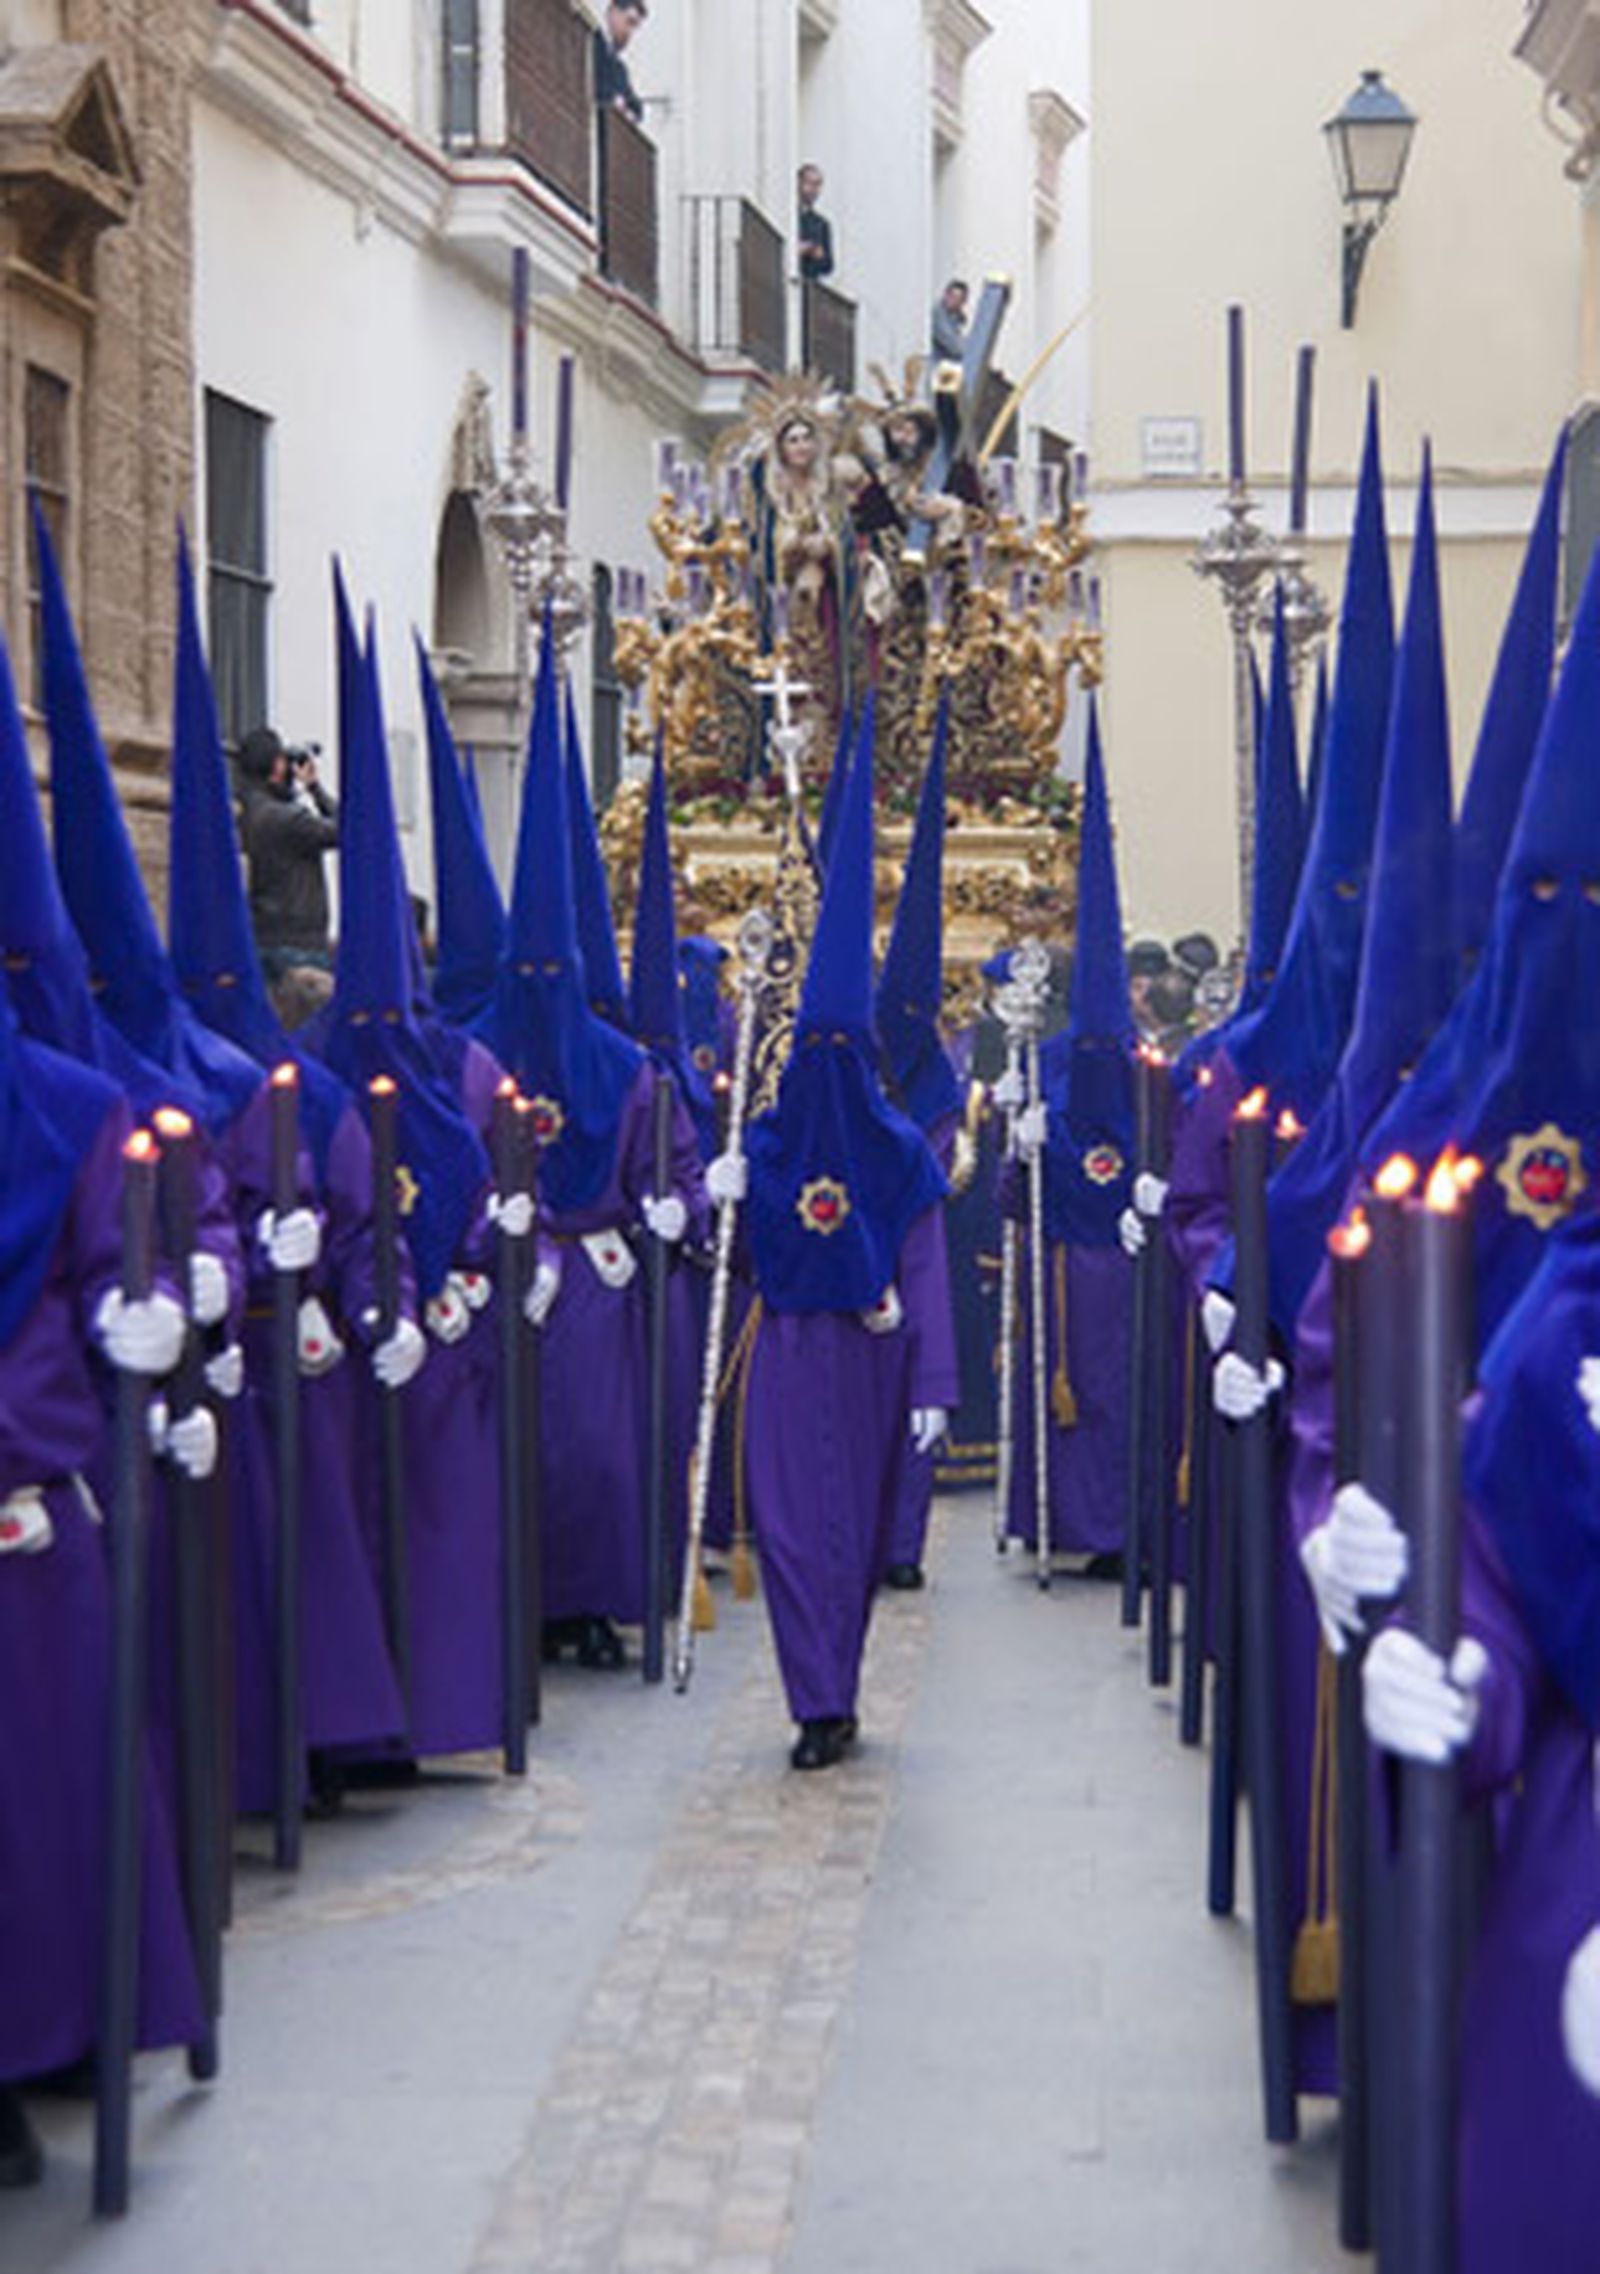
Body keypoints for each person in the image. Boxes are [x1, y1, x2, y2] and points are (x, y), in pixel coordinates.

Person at [720, 698, 957, 1770]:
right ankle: (808, 1697)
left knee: (848, 1534)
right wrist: (716, 1196)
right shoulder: (764, 1144)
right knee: (789, 1529)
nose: (822, 1067)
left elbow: (923, 1262)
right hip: (786, 1348)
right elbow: (729, 1266)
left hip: (868, 1353)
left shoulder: (900, 1145)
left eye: (837, 1047)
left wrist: (933, 1384)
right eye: (805, 1046)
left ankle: (839, 1688)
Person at [236, 723, 339, 983]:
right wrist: (315, 788)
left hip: (261, 936)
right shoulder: (289, 819)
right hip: (300, 944)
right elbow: (350, 831)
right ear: (277, 767)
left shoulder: (244, 811)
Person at [593, 0, 646, 122]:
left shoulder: (620, 69)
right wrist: (614, 100)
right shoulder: (591, 41)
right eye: (629, 22)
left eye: (635, 27)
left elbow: (637, 110)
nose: (630, 32)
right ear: (613, 13)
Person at [797, 163, 834, 283]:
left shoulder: (822, 224)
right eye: (809, 183)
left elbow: (828, 266)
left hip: (809, 286)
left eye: (817, 185)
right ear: (798, 184)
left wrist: (815, 252)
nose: (813, 189)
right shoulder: (787, 216)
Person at [931, 277, 969, 363]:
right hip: (937, 364)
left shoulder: (958, 318)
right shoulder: (938, 313)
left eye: (958, 299)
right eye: (951, 296)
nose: (953, 301)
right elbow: (954, 345)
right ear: (945, 294)